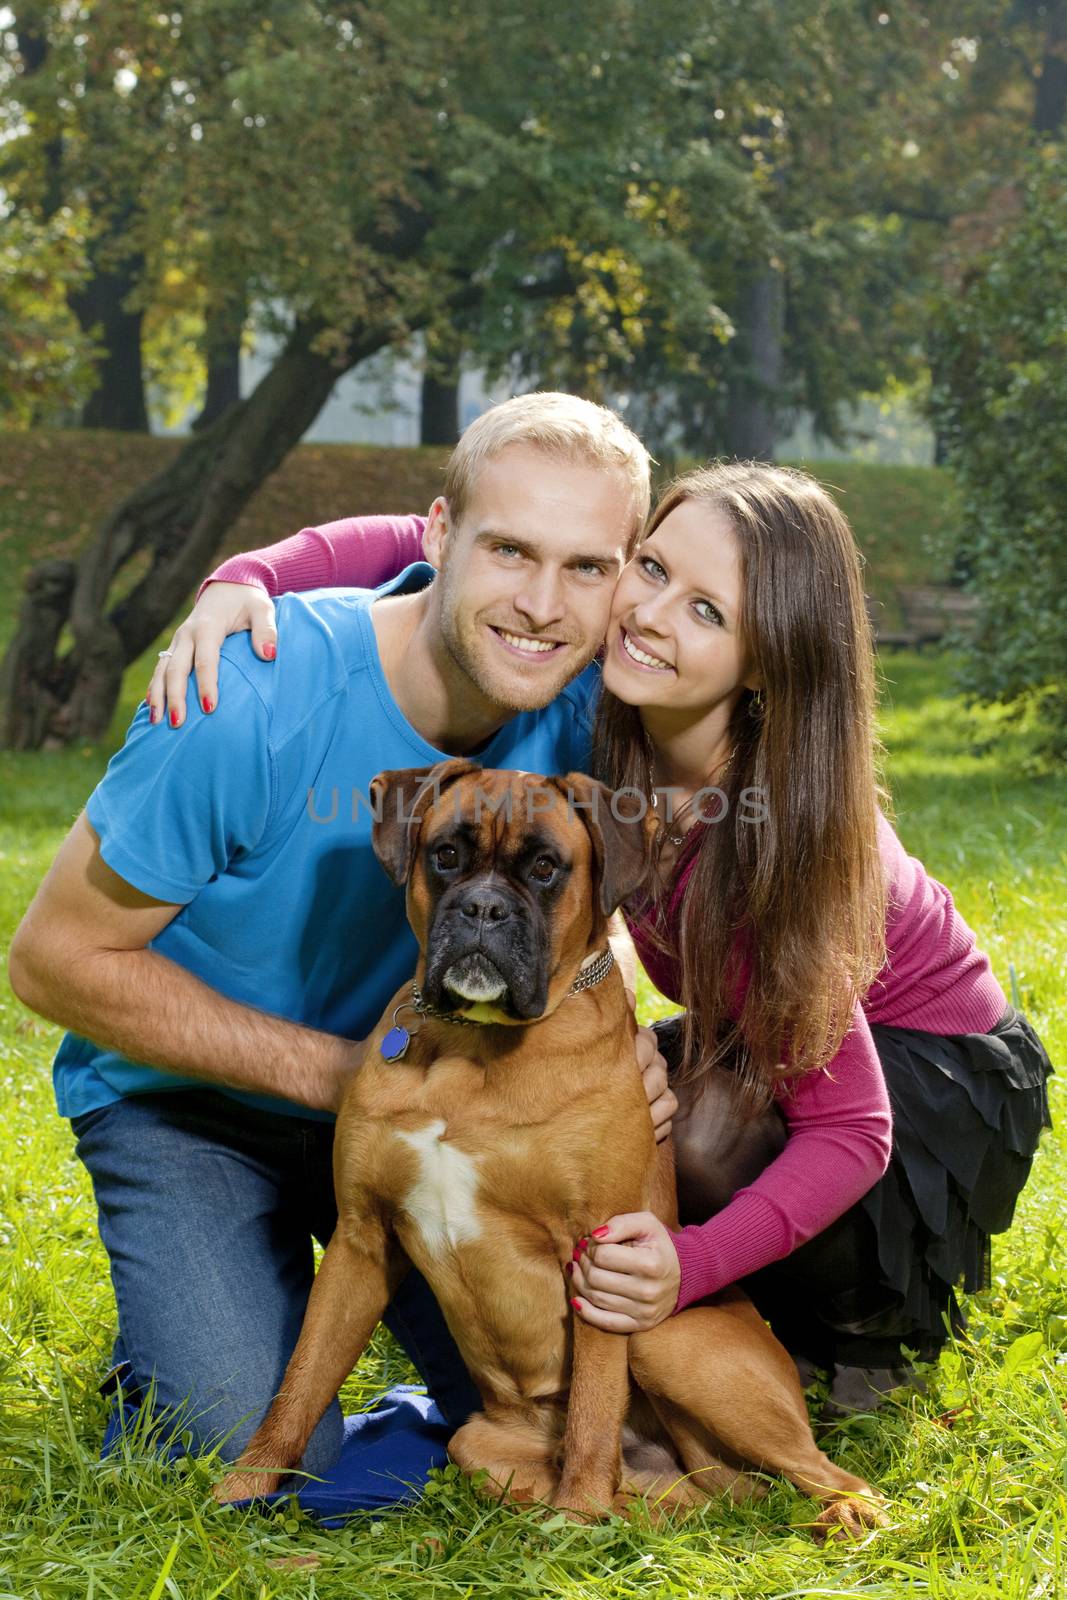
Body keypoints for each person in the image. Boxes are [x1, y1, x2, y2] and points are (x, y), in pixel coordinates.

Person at [157, 459, 1054, 1415]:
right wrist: (242, 580)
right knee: (619, 1097)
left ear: (766, 664)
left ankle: (853, 1338)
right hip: (759, 1023)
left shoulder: (767, 847)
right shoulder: (614, 684)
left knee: (699, 1131)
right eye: (654, 570)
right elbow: (442, 537)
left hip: (926, 1080)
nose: (653, 616)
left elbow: (852, 1130)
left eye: (709, 613)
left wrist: (689, 1263)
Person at [8, 392, 678, 1477]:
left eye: (586, 568)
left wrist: (616, 1058)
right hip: (194, 1109)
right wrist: (349, 1077)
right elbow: (48, 960)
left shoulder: (580, 710)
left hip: (443, 1090)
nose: (542, 604)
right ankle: (186, 1335)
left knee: (557, 1410)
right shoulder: (245, 693)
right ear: (439, 534)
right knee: (233, 1431)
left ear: (619, 582)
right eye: (508, 549)